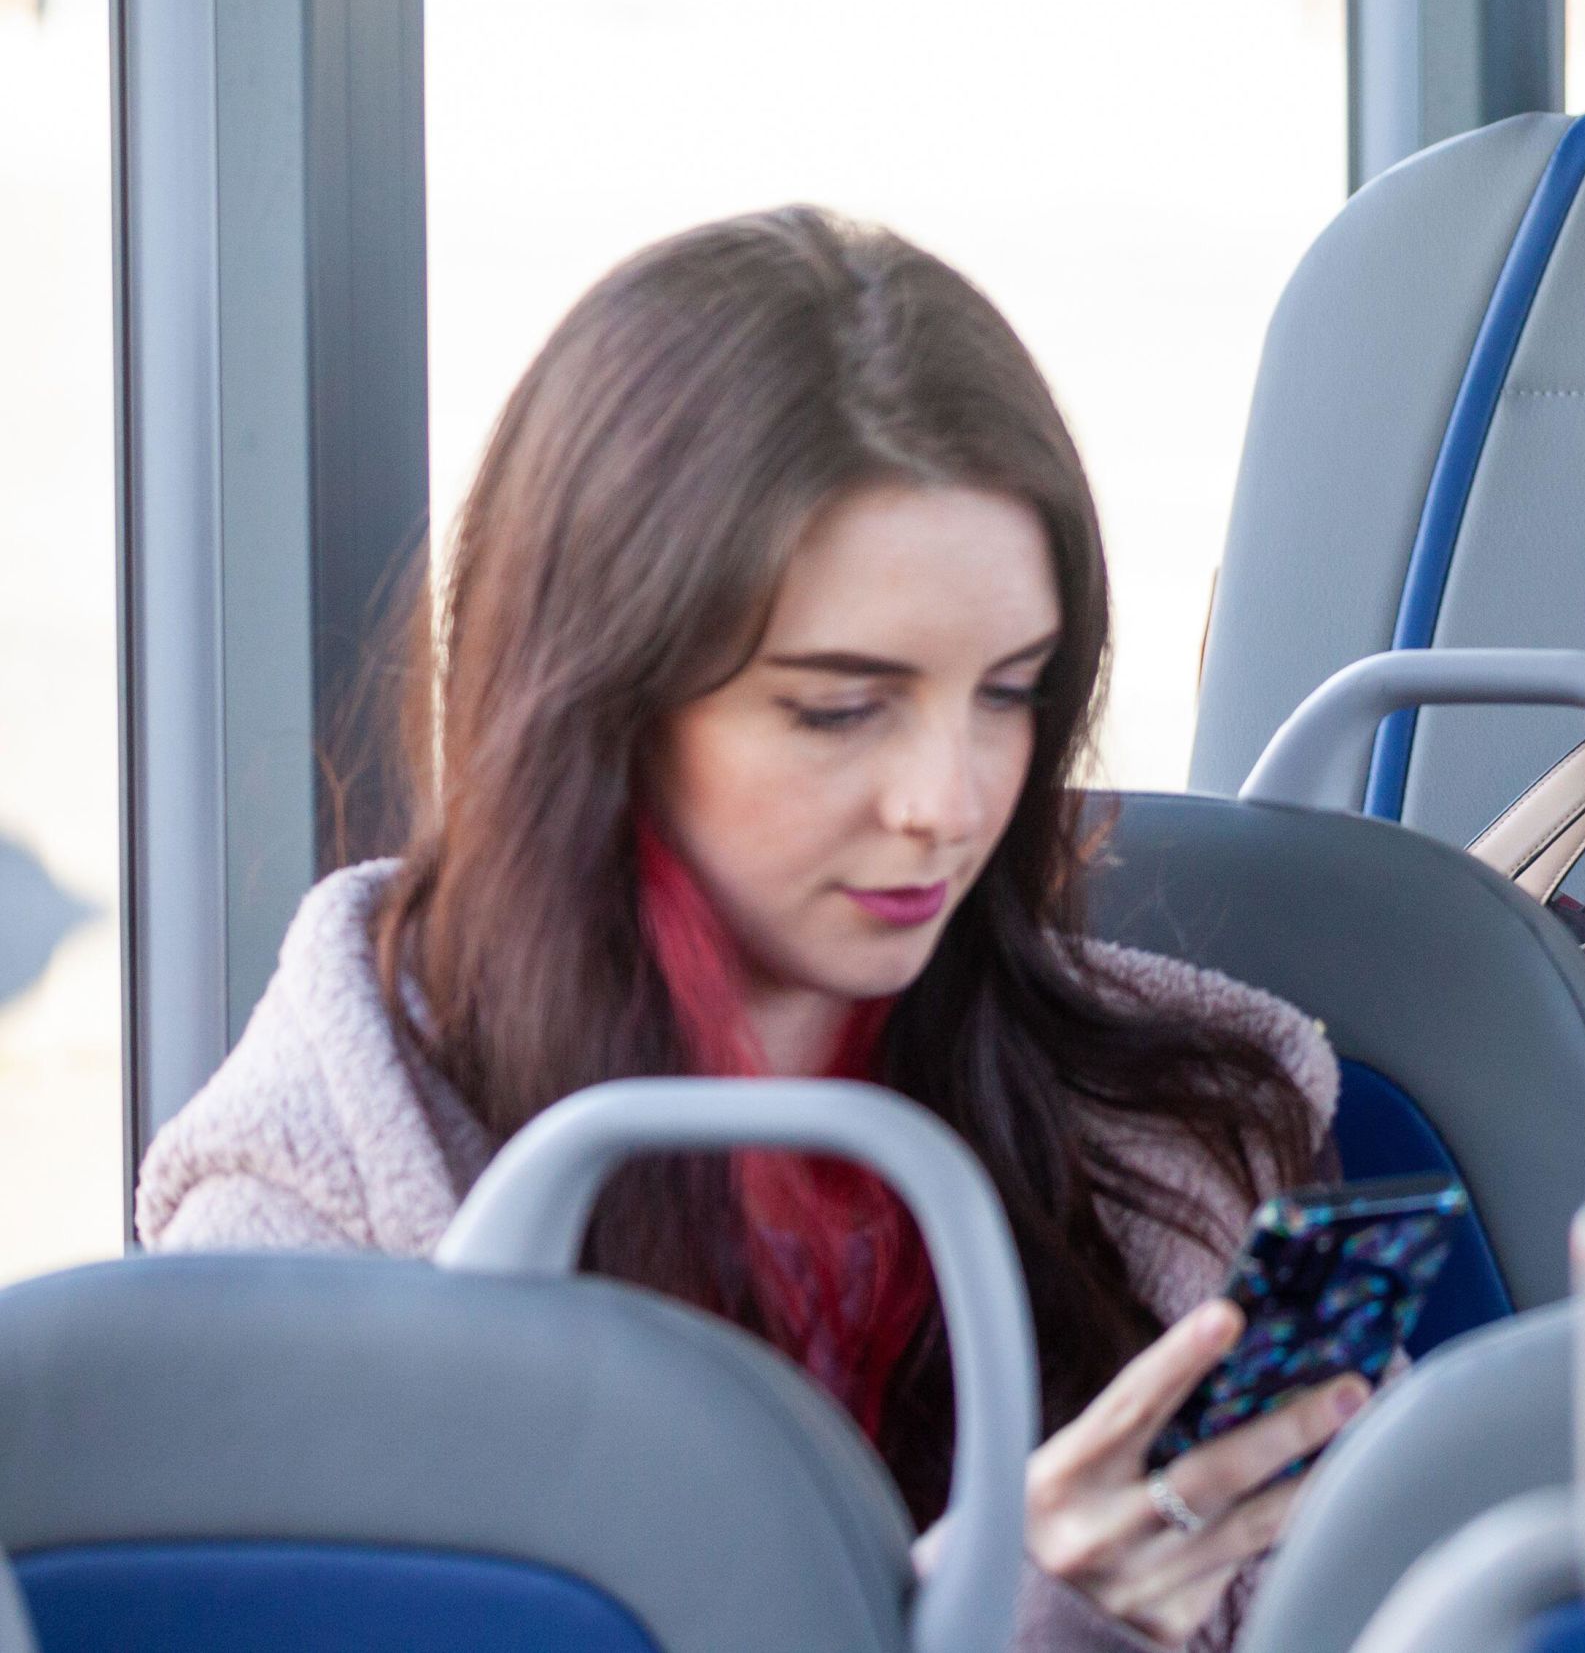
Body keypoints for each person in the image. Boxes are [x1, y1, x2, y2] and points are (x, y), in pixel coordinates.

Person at [141, 210, 1350, 1653]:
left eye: (1010, 691)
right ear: (605, 706)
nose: (946, 802)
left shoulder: (1177, 1146)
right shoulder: (310, 1220)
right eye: (839, 708)